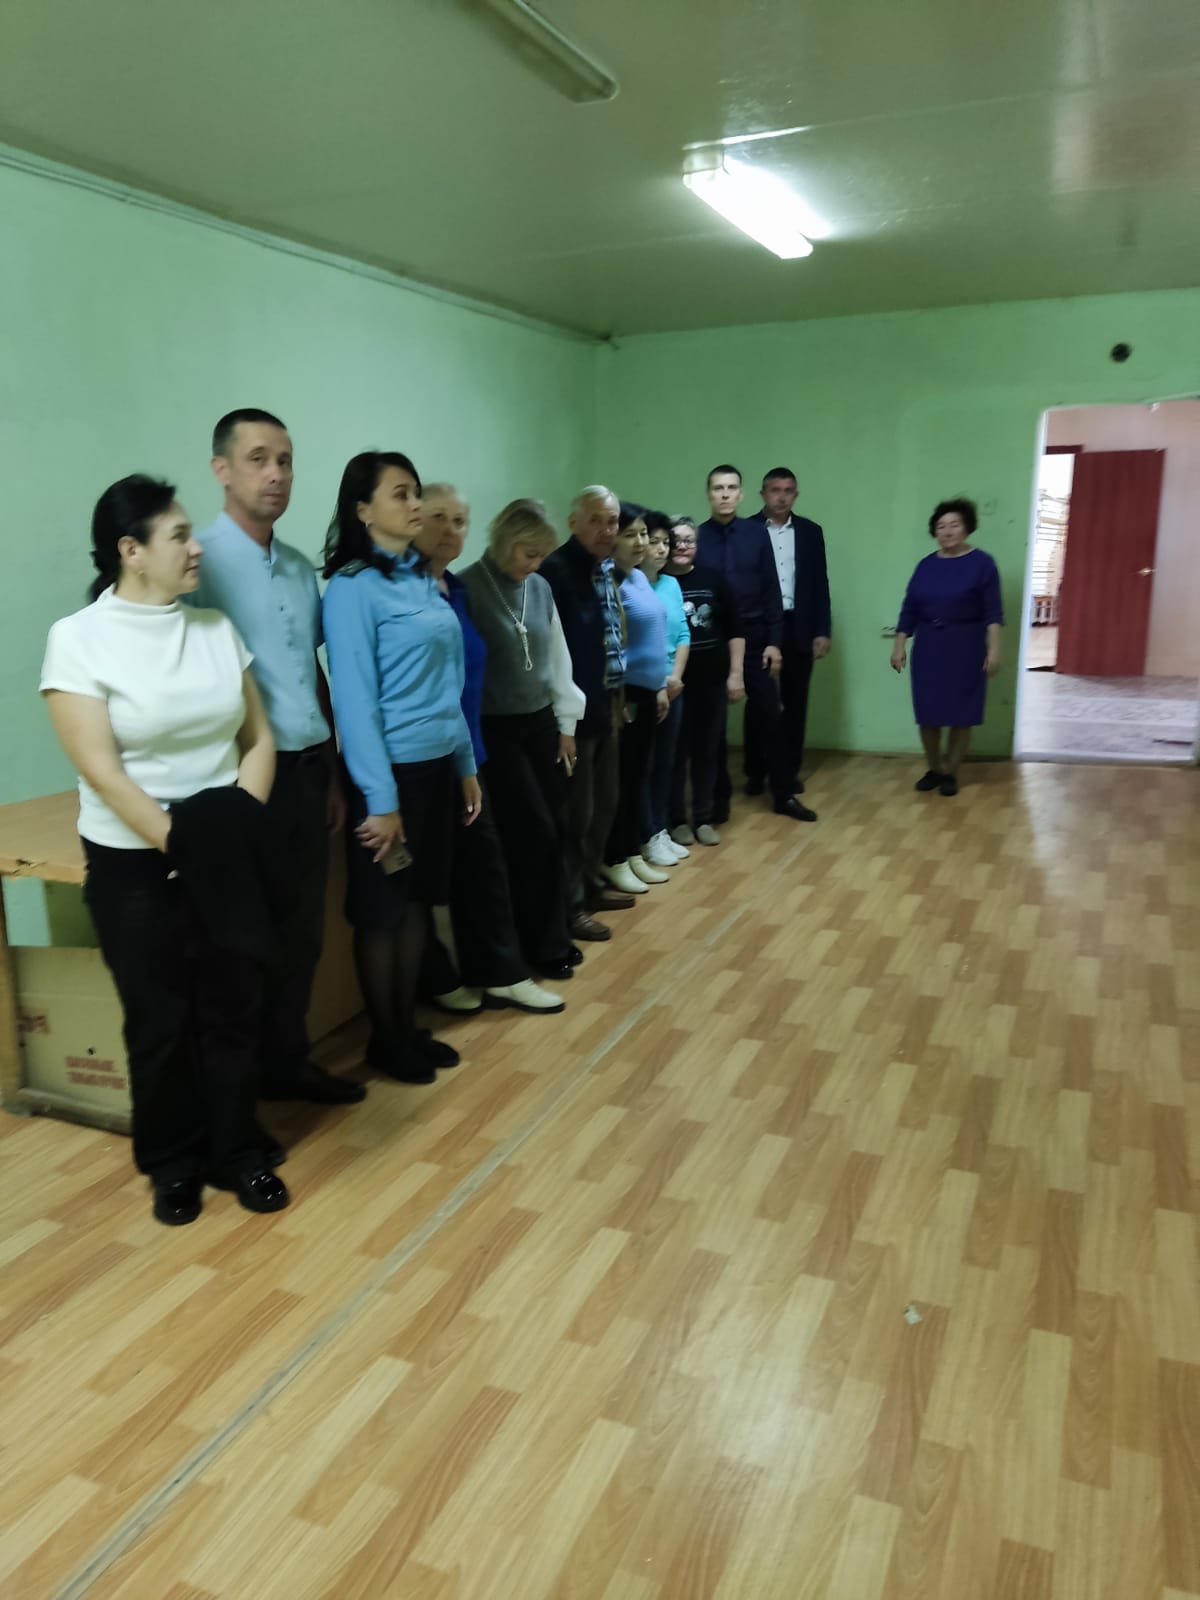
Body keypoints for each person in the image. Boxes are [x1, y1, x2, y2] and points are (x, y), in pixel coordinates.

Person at [41, 475, 288, 1225]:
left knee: (232, 1006)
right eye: (179, 535)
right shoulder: (78, 639)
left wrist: (231, 828)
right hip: (132, 861)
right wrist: (180, 842)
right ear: (132, 551)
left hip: (219, 845)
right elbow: (103, 770)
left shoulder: (214, 630)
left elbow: (258, 738)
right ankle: (172, 1163)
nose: (196, 546)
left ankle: (237, 1150)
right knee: (159, 1018)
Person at [192, 407, 365, 1110]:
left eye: (285, 460)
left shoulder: (296, 567)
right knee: (241, 942)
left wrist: (331, 767)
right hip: (236, 779)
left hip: (305, 771)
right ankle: (236, 1098)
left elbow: (307, 669)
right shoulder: (199, 562)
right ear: (222, 469)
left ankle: (287, 1064)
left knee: (300, 935)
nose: (276, 474)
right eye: (258, 458)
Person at [321, 452, 482, 1085]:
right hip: (388, 777)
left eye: (416, 492)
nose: (415, 505)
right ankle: (385, 1040)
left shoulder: (423, 576)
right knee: (384, 911)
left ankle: (405, 1028)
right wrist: (381, 800)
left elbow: (450, 683)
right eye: (400, 494)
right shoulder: (351, 588)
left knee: (418, 903)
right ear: (363, 510)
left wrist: (465, 764)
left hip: (438, 766)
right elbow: (354, 702)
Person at [412, 484, 565, 1014]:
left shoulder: (451, 589)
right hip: (445, 746)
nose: (451, 529)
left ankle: (502, 966)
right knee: (459, 867)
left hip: (468, 746)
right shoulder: (438, 590)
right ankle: (464, 973)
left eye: (460, 520)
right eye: (438, 517)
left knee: (491, 859)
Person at [460, 497, 587, 975]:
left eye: (541, 556)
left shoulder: (540, 587)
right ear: (505, 543)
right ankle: (539, 946)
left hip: (540, 723)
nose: (535, 564)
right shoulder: (469, 587)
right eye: (528, 554)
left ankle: (553, 933)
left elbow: (557, 659)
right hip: (497, 729)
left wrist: (566, 724)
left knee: (554, 828)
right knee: (531, 832)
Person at [540, 486, 635, 941]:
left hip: (608, 705)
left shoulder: (606, 569)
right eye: (595, 520)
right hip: (574, 716)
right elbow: (556, 653)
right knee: (575, 815)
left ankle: (591, 884)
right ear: (573, 522)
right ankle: (570, 905)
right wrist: (565, 718)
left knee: (604, 806)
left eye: (612, 521)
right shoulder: (556, 572)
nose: (606, 529)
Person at [697, 464, 815, 823]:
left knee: (770, 717)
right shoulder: (698, 538)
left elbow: (771, 591)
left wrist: (774, 642)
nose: (725, 494)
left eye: (731, 487)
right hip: (714, 640)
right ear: (709, 493)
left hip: (755, 638)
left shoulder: (755, 534)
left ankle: (783, 793)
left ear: (741, 493)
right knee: (712, 724)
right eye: (718, 488)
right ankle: (717, 800)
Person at [891, 497, 1004, 796]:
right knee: (928, 713)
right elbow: (909, 609)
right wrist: (899, 645)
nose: (947, 531)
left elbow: (993, 613)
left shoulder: (983, 564)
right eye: (941, 526)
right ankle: (933, 768)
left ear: (967, 528)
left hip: (966, 646)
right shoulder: (926, 565)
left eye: (954, 524)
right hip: (929, 646)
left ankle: (951, 772)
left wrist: (994, 650)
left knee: (960, 713)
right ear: (934, 531)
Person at [745, 467, 831, 801]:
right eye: (775, 490)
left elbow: (820, 583)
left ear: (796, 494)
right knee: (760, 701)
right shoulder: (747, 530)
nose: (781, 497)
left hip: (799, 624)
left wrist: (822, 630)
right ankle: (756, 770)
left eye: (788, 490)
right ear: (763, 493)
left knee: (796, 702)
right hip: (761, 625)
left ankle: (789, 771)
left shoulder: (810, 532)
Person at [601, 504, 671, 896]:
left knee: (637, 777)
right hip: (623, 695)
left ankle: (632, 850)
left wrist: (658, 686)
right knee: (620, 781)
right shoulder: (610, 581)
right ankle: (614, 856)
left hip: (647, 693)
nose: (641, 542)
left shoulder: (639, 578)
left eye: (644, 533)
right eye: (631, 534)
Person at [667, 517, 746, 847]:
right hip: (673, 686)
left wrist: (735, 674)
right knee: (675, 754)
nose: (683, 546)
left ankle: (703, 818)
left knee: (708, 752)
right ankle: (675, 820)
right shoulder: (657, 582)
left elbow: (736, 630)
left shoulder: (714, 579)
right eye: (676, 540)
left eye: (689, 540)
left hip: (712, 683)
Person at [637, 510, 690, 867]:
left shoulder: (670, 584)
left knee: (666, 763)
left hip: (672, 686)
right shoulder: (629, 585)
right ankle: (646, 834)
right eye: (653, 541)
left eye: (665, 543)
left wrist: (675, 677)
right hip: (645, 687)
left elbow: (683, 633)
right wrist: (659, 682)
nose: (660, 549)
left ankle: (660, 828)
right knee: (645, 763)